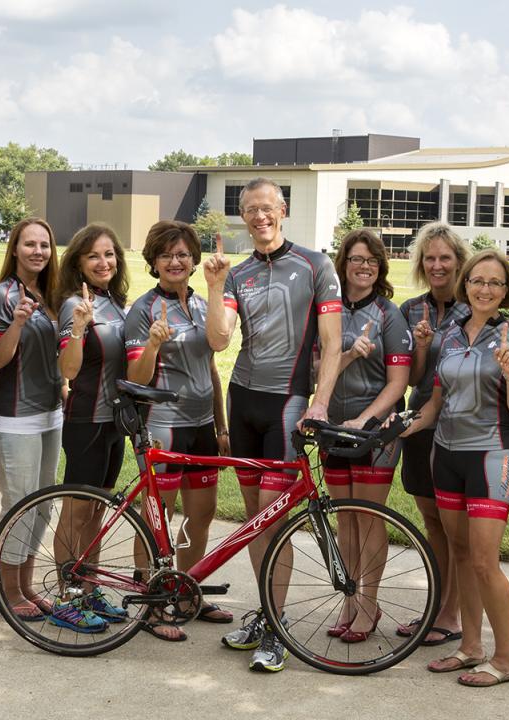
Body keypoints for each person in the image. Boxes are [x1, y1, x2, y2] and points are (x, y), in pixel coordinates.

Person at [203, 177, 343, 673]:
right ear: (243, 216)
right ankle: (267, 614)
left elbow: (331, 343)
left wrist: (320, 402)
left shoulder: (314, 265)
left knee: (273, 518)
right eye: (250, 210)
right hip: (244, 400)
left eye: (267, 207)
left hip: (288, 402)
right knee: (254, 523)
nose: (259, 216)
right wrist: (216, 285)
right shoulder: (237, 274)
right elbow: (220, 342)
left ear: (282, 209)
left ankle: (277, 626)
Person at [402, 248, 509, 687]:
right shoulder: (450, 336)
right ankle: (470, 647)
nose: (485, 289)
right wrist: (398, 427)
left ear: (506, 291)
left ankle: (504, 659)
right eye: (478, 280)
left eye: (495, 283)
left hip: (492, 454)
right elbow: (436, 402)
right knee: (461, 555)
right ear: (467, 284)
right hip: (447, 453)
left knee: (483, 561)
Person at [124, 220, 233, 641]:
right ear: (154, 261)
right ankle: (151, 605)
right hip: (164, 426)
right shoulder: (143, 309)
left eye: (184, 253)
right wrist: (152, 344)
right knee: (158, 517)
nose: (176, 260)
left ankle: (186, 590)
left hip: (202, 424)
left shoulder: (206, 305)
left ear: (194, 260)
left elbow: (212, 368)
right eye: (167, 254)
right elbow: (136, 376)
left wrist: (221, 425)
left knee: (201, 514)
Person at [322, 229, 411, 643]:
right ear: (344, 264)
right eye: (357, 259)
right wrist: (346, 355)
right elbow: (317, 372)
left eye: (372, 260)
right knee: (345, 518)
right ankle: (350, 598)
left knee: (368, 516)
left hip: (375, 430)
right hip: (332, 427)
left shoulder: (389, 314)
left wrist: (364, 420)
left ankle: (369, 603)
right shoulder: (329, 311)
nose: (364, 266)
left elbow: (398, 384)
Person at [49, 222, 131, 634]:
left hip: (114, 423)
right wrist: (79, 326)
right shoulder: (73, 305)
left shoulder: (116, 302)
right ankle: (65, 596)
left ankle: (89, 587)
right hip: (86, 421)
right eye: (94, 255)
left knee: (97, 512)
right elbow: (67, 368)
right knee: (76, 512)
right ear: (78, 262)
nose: (104, 262)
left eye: (110, 254)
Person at [0, 218, 62, 621]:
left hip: (51, 413)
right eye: (29, 244)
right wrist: (16, 322)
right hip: (15, 416)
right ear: (14, 249)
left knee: (43, 505)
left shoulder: (52, 295)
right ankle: (9, 589)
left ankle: (27, 584)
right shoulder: (3, 296)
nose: (37, 252)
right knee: (20, 505)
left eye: (44, 245)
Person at [397, 222, 470, 646]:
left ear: (459, 262)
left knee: (454, 525)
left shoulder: (475, 303)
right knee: (431, 521)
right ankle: (439, 605)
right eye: (430, 258)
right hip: (419, 423)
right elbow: (412, 377)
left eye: (445, 257)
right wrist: (422, 346)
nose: (438, 265)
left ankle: (452, 614)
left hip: (457, 427)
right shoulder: (410, 310)